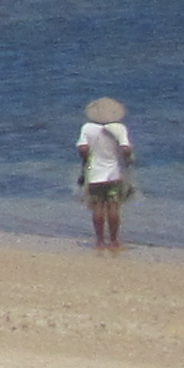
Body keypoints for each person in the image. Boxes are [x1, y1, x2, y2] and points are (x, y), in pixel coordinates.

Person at [75, 98, 137, 252]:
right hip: (114, 174)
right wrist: (128, 160)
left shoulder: (87, 128)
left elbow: (82, 149)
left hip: (95, 173)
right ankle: (115, 241)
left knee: (97, 207)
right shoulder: (119, 128)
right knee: (114, 206)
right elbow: (126, 149)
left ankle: (100, 241)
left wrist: (87, 159)